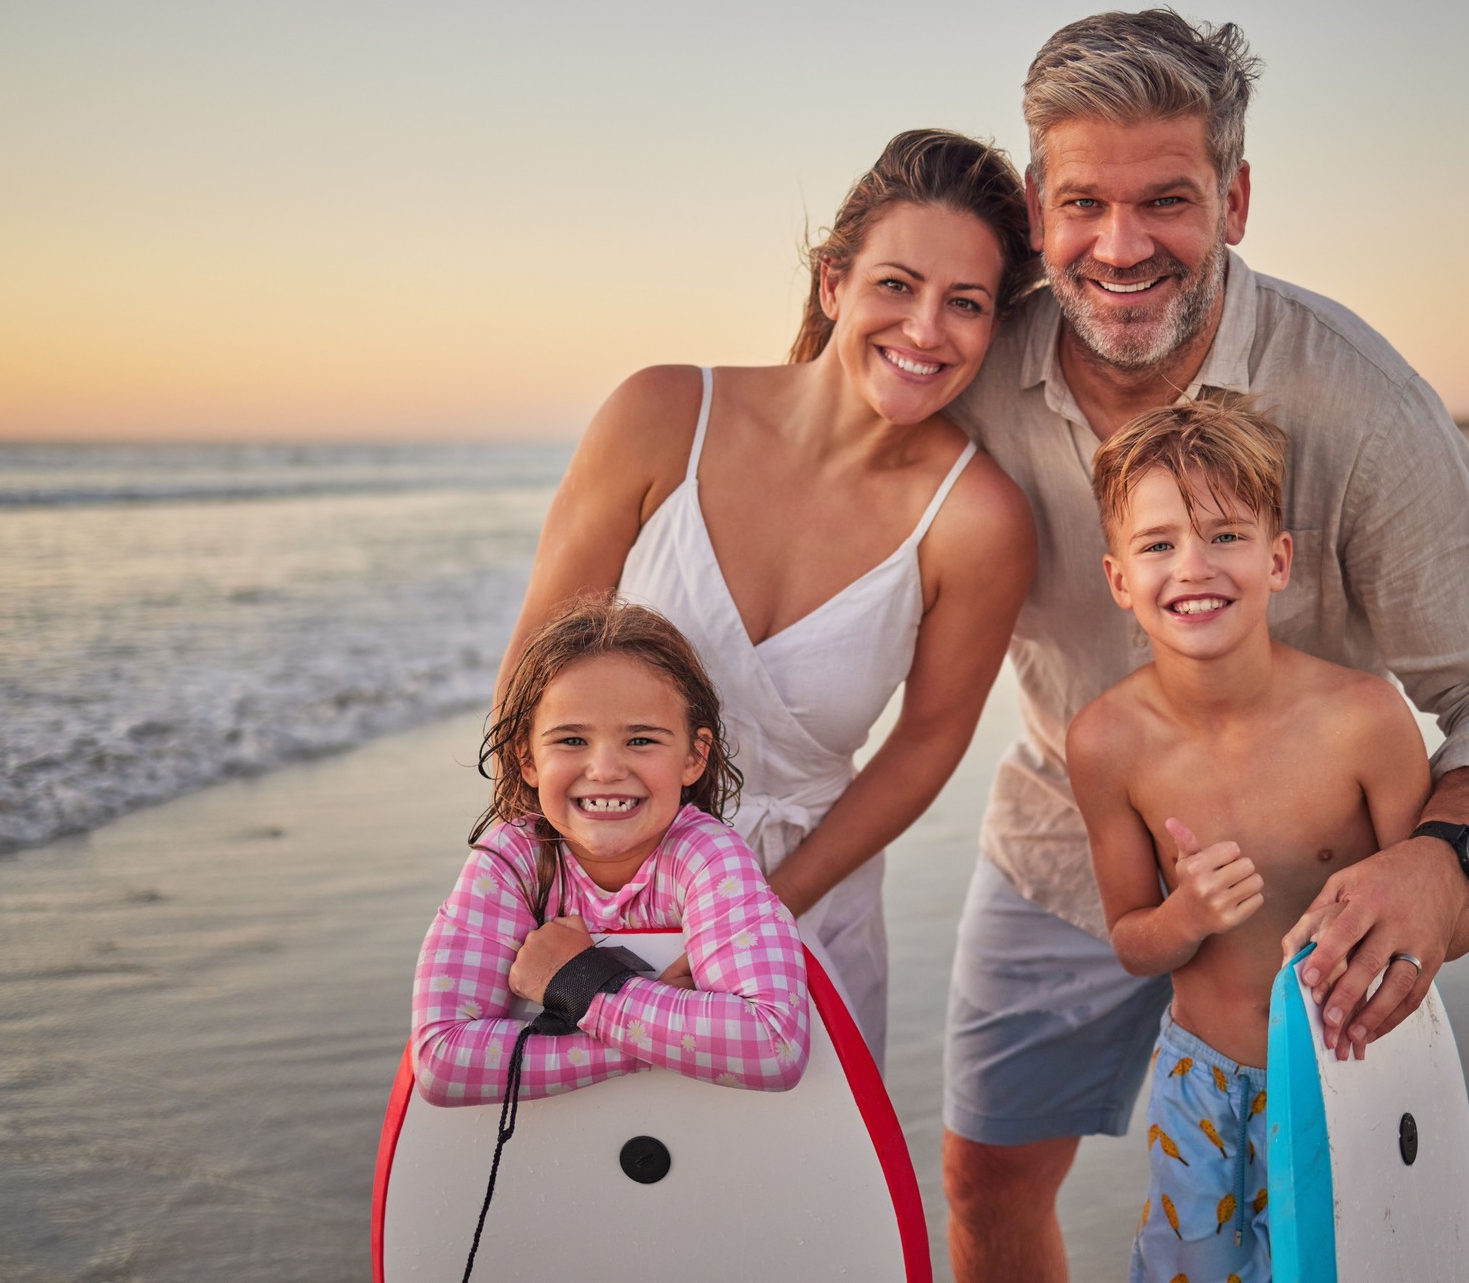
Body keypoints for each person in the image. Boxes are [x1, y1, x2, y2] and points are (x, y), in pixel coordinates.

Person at [939, 13, 1469, 1279]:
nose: (1121, 248)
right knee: (984, 1180)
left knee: (1325, 1224)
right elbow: (821, 460)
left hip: (1304, 897)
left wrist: (1446, 862)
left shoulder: (1355, 397)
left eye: (1167, 200)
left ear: (1233, 196)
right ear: (1033, 205)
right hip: (1066, 840)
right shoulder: (966, 365)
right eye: (1083, 205)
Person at [495, 129, 1040, 1062]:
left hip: (802, 907)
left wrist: (756, 918)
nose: (924, 330)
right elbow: (536, 676)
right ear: (834, 282)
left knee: (784, 1203)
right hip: (589, 887)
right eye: (895, 285)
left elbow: (923, 749)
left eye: (966, 304)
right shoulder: (663, 415)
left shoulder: (978, 519)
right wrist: (526, 889)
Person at [1071, 400, 1467, 1282]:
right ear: (1118, 578)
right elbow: (1134, 943)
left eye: (1224, 536)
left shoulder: (1362, 717)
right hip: (1198, 1083)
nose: (1194, 567)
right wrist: (1188, 913)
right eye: (1159, 544)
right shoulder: (1106, 741)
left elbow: (1454, 925)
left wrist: (1363, 907)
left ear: (1278, 558)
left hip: (1352, 1069)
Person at [410, 596, 809, 1108]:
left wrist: (581, 984)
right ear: (527, 761)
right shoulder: (511, 861)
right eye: (572, 739)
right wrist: (650, 1040)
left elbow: (773, 1046)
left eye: (641, 739)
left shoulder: (706, 857)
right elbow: (443, 1063)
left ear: (694, 757)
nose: (604, 769)